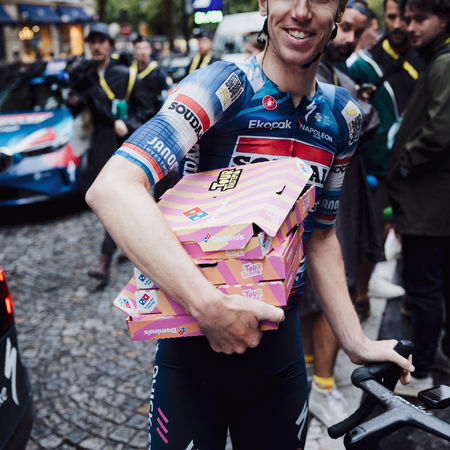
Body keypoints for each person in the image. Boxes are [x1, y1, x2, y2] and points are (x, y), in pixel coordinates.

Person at [86, 1, 414, 448]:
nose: (301, 11)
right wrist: (208, 306)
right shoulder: (223, 85)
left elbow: (321, 236)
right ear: (263, 2)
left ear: (338, 12)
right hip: (194, 349)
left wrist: (356, 341)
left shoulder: (343, 116)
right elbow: (113, 188)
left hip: (280, 355)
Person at [301, 0, 383, 428]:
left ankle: (318, 380)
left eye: (355, 30)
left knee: (328, 283)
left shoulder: (335, 74)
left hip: (338, 194)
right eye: (345, 27)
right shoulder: (314, 74)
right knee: (324, 286)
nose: (348, 38)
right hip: (317, 197)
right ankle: (320, 383)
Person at [386, 0, 450, 397]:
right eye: (407, 18)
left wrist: (403, 163)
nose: (410, 27)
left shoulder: (443, 62)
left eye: (419, 19)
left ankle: (423, 370)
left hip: (429, 203)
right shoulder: (437, 59)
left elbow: (440, 130)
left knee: (424, 288)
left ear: (443, 19)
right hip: (433, 201)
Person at [348, 0, 423, 299]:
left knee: (415, 238)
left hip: (418, 166)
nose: (399, 24)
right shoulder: (363, 65)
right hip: (375, 167)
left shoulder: (426, 58)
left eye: (405, 17)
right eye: (392, 17)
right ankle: (362, 295)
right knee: (371, 232)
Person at [67, 23, 150, 283]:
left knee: (112, 199)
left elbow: (147, 110)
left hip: (124, 145)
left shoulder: (125, 74)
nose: (96, 46)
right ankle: (128, 241)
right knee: (107, 199)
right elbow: (79, 109)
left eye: (101, 40)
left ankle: (104, 260)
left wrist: (129, 124)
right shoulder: (85, 75)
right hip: (98, 144)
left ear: (110, 44)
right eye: (92, 41)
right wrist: (73, 101)